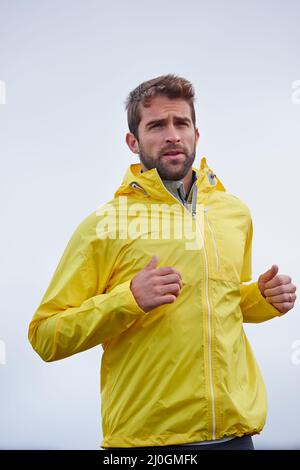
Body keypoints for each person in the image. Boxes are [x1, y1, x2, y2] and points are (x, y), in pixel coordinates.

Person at [28, 74, 297, 451]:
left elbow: (221, 302)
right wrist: (128, 299)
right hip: (146, 444)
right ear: (132, 141)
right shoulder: (104, 225)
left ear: (196, 134)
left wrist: (261, 298)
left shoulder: (233, 212)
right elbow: (45, 335)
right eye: (156, 125)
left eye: (181, 123)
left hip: (236, 436)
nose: (172, 135)